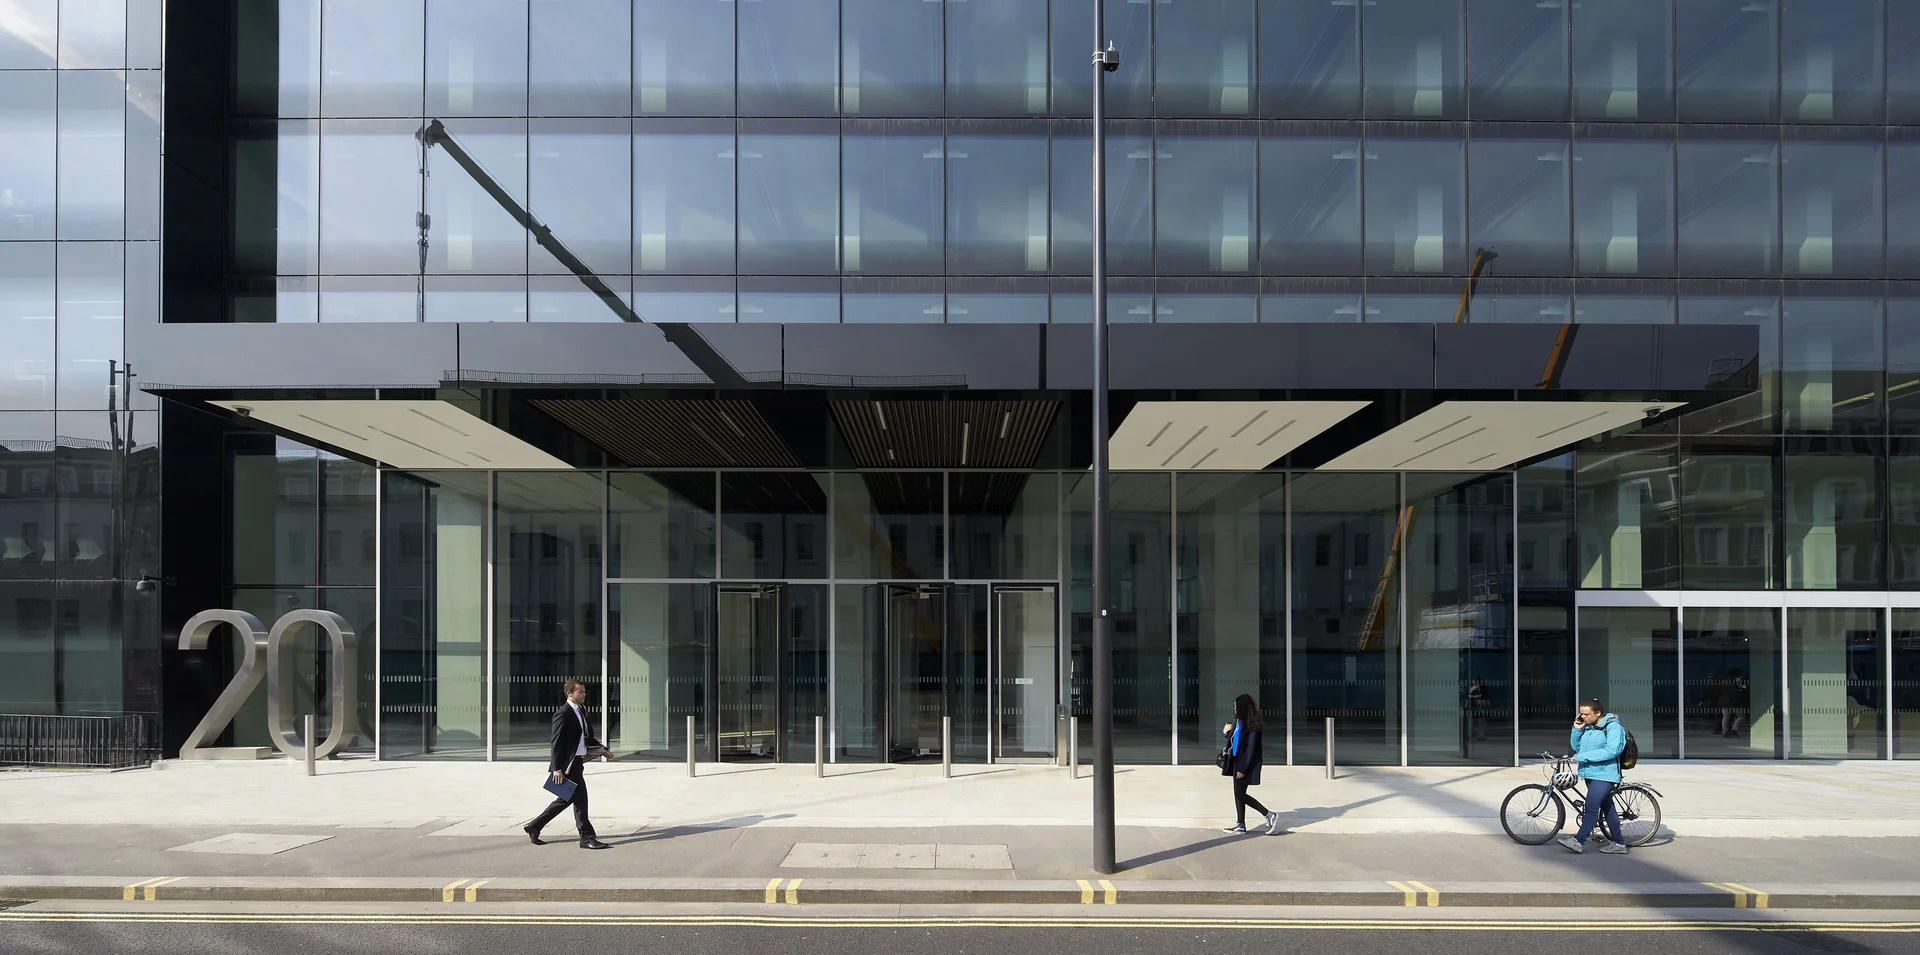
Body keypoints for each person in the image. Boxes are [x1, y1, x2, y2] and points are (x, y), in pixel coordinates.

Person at [524, 678, 615, 850]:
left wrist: (603, 750)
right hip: (568, 766)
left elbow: (586, 737)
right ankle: (586, 837)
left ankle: (535, 826)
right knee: (580, 800)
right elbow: (556, 742)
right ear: (570, 693)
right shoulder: (563, 713)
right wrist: (556, 768)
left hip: (578, 763)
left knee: (566, 799)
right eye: (580, 692)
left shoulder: (580, 711)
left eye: (584, 691)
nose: (584, 694)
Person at [1559, 698, 1628, 855]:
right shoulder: (1589, 728)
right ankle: (1618, 843)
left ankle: (1578, 841)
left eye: (1586, 714)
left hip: (1605, 775)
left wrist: (1582, 757)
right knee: (1608, 809)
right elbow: (1577, 747)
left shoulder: (1613, 728)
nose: (1583, 717)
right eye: (1580, 713)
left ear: (1598, 712)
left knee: (1591, 807)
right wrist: (1577, 729)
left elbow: (1612, 751)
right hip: (1590, 773)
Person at [1220, 694, 1280, 835]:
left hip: (1244, 764)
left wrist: (1243, 768)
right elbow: (1236, 741)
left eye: (1236, 706)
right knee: (1238, 793)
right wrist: (1226, 733)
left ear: (1242, 707)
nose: (1234, 709)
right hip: (1236, 760)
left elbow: (1251, 750)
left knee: (1240, 793)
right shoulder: (1239, 722)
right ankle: (1240, 824)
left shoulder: (1252, 725)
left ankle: (1269, 814)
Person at [1466, 677, 1489, 741]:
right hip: (1476, 707)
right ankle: (1479, 736)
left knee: (1476, 722)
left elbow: (1482, 696)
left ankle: (1474, 735)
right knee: (1479, 722)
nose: (1474, 682)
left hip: (1475, 707)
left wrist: (1472, 697)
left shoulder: (1476, 688)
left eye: (1475, 681)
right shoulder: (1477, 688)